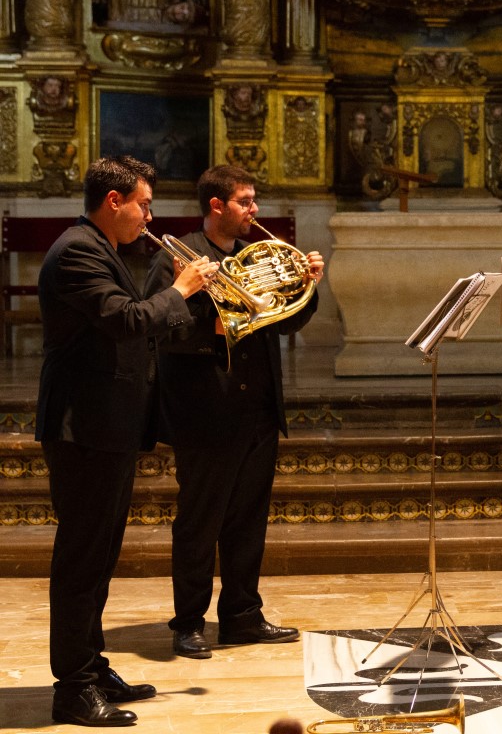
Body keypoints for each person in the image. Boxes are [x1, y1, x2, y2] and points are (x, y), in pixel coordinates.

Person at [37, 156, 217, 726]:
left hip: (108, 424)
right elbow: (123, 320)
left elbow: (144, 314)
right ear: (113, 201)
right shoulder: (77, 251)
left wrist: (199, 303)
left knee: (100, 556)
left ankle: (91, 665)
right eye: (142, 203)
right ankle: (73, 687)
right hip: (82, 426)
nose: (149, 214)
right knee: (82, 561)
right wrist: (183, 286)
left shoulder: (106, 247)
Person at [144, 165, 325, 659]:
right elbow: (161, 329)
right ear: (217, 206)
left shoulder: (255, 257)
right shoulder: (179, 259)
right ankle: (187, 622)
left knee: (249, 519)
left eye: (254, 200)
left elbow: (287, 320)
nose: (254, 210)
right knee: (200, 521)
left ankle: (243, 615)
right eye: (245, 201)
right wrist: (218, 325)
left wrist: (308, 284)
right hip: (205, 409)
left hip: (258, 407)